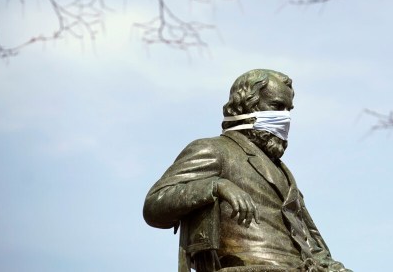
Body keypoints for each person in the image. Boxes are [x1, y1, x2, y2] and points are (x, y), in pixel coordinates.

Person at [144, 69, 351, 272]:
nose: (285, 118)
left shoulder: (283, 171)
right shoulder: (214, 149)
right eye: (277, 107)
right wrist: (216, 186)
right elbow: (155, 205)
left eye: (289, 110)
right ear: (248, 105)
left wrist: (331, 266)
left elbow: (307, 236)